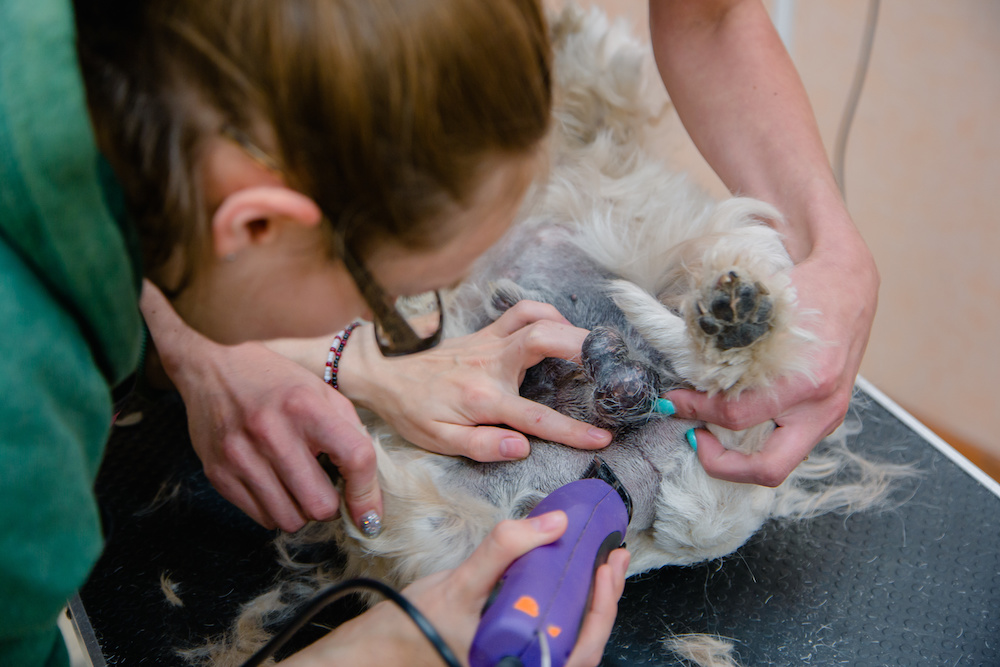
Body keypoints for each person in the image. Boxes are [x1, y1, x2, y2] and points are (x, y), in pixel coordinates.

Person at [0, 0, 627, 665]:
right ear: (255, 226)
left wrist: (202, 349)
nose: (383, 332)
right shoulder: (22, 433)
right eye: (388, 302)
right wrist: (372, 652)